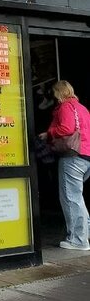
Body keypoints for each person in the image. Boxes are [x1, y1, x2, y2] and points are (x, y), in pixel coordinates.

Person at [41, 80, 90, 251]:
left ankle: (78, 240)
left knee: (71, 197)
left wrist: (48, 134)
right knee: (78, 197)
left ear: (59, 93)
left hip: (72, 157)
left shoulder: (65, 107)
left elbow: (66, 128)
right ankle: (84, 235)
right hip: (86, 156)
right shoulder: (82, 108)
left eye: (54, 94)